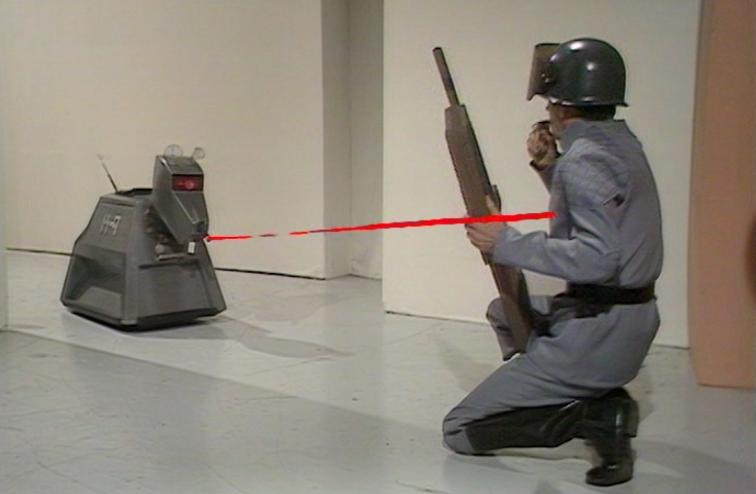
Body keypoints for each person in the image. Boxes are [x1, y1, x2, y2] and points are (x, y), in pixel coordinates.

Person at [442, 38, 663, 487]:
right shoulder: (619, 144)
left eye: (549, 102)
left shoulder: (584, 160)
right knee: (503, 311)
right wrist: (550, 167)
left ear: (562, 107)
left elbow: (598, 259)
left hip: (599, 332)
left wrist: (506, 242)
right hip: (629, 322)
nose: (546, 111)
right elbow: (603, 212)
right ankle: (588, 395)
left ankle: (585, 415)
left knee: (460, 429)